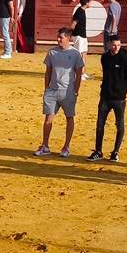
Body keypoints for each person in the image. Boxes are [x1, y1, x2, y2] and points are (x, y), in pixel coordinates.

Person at [33, 27, 84, 158]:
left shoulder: (75, 54)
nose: (58, 39)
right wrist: (46, 89)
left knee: (69, 118)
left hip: (68, 91)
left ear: (68, 39)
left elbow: (78, 75)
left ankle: (66, 146)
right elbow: (48, 71)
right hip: (52, 91)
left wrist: (76, 92)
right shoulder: (52, 53)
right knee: (48, 118)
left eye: (61, 37)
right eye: (58, 37)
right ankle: (45, 145)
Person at [89, 35, 127, 162]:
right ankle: (98, 151)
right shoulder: (105, 58)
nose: (116, 47)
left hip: (119, 98)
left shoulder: (125, 58)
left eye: (119, 45)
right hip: (105, 96)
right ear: (109, 44)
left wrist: (120, 86)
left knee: (119, 125)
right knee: (99, 124)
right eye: (114, 45)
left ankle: (115, 151)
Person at [70, 0, 91, 79]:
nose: (91, 3)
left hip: (82, 35)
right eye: (90, 1)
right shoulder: (79, 11)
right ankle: (77, 74)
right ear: (86, 3)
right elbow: (73, 24)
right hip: (78, 36)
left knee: (84, 53)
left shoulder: (81, 10)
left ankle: (82, 72)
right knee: (78, 55)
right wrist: (70, 34)